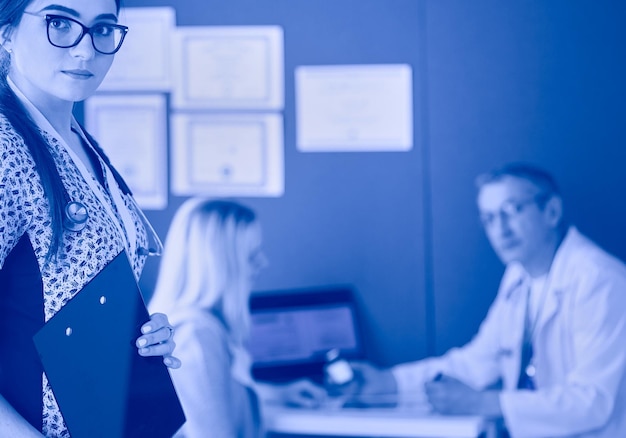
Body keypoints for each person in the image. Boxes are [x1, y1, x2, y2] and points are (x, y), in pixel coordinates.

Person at [339, 163, 626, 437]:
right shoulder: (518, 276)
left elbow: (593, 401)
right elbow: (477, 362)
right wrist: (390, 382)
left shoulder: (601, 281)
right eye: (489, 218)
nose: (500, 229)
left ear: (552, 211)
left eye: (512, 210)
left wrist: (486, 403)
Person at [0, 1, 181, 436]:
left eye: (101, 28)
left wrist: (141, 334)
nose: (85, 50)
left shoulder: (83, 147)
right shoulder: (5, 148)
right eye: (59, 23)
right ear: (5, 33)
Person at [149, 198, 326, 438]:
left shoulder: (205, 327)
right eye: (251, 255)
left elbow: (215, 392)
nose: (263, 263)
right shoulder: (197, 337)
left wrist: (278, 393)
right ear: (219, 264)